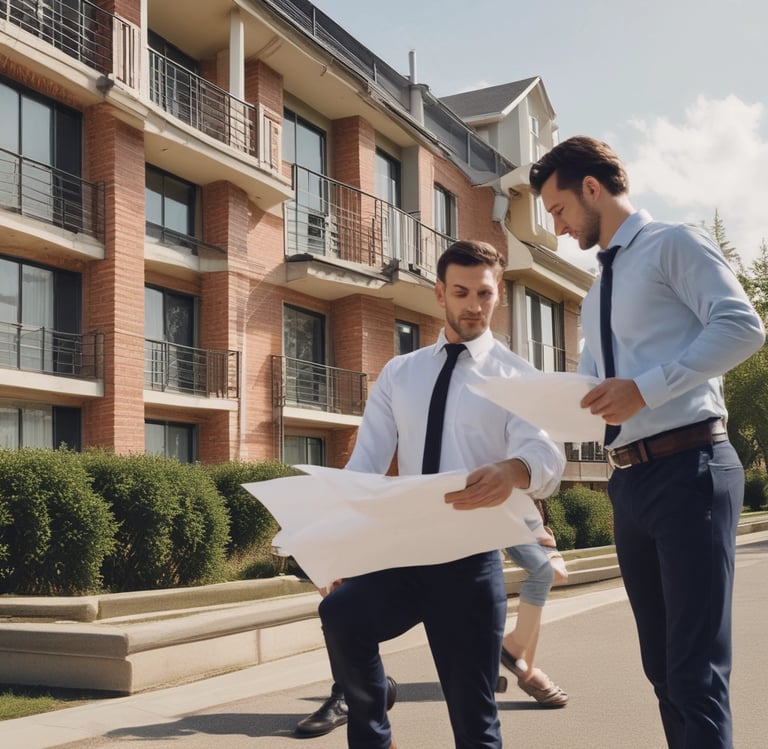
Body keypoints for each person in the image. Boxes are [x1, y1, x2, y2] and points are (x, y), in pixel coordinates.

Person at [529, 136, 765, 749]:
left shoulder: (673, 244)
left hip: (691, 467)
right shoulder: (596, 288)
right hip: (629, 481)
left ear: (590, 188)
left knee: (694, 674)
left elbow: (743, 326)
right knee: (661, 672)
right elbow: (595, 391)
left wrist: (648, 389)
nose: (555, 229)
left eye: (557, 210)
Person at [317, 240, 566, 749]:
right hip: (402, 555)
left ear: (498, 296)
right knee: (340, 613)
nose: (474, 305)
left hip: (469, 563)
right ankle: (373, 732)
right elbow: (365, 464)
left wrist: (513, 469)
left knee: (474, 725)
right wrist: (335, 549)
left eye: (484, 293)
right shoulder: (400, 373)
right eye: (461, 292)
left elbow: (546, 461)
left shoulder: (518, 376)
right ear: (439, 294)